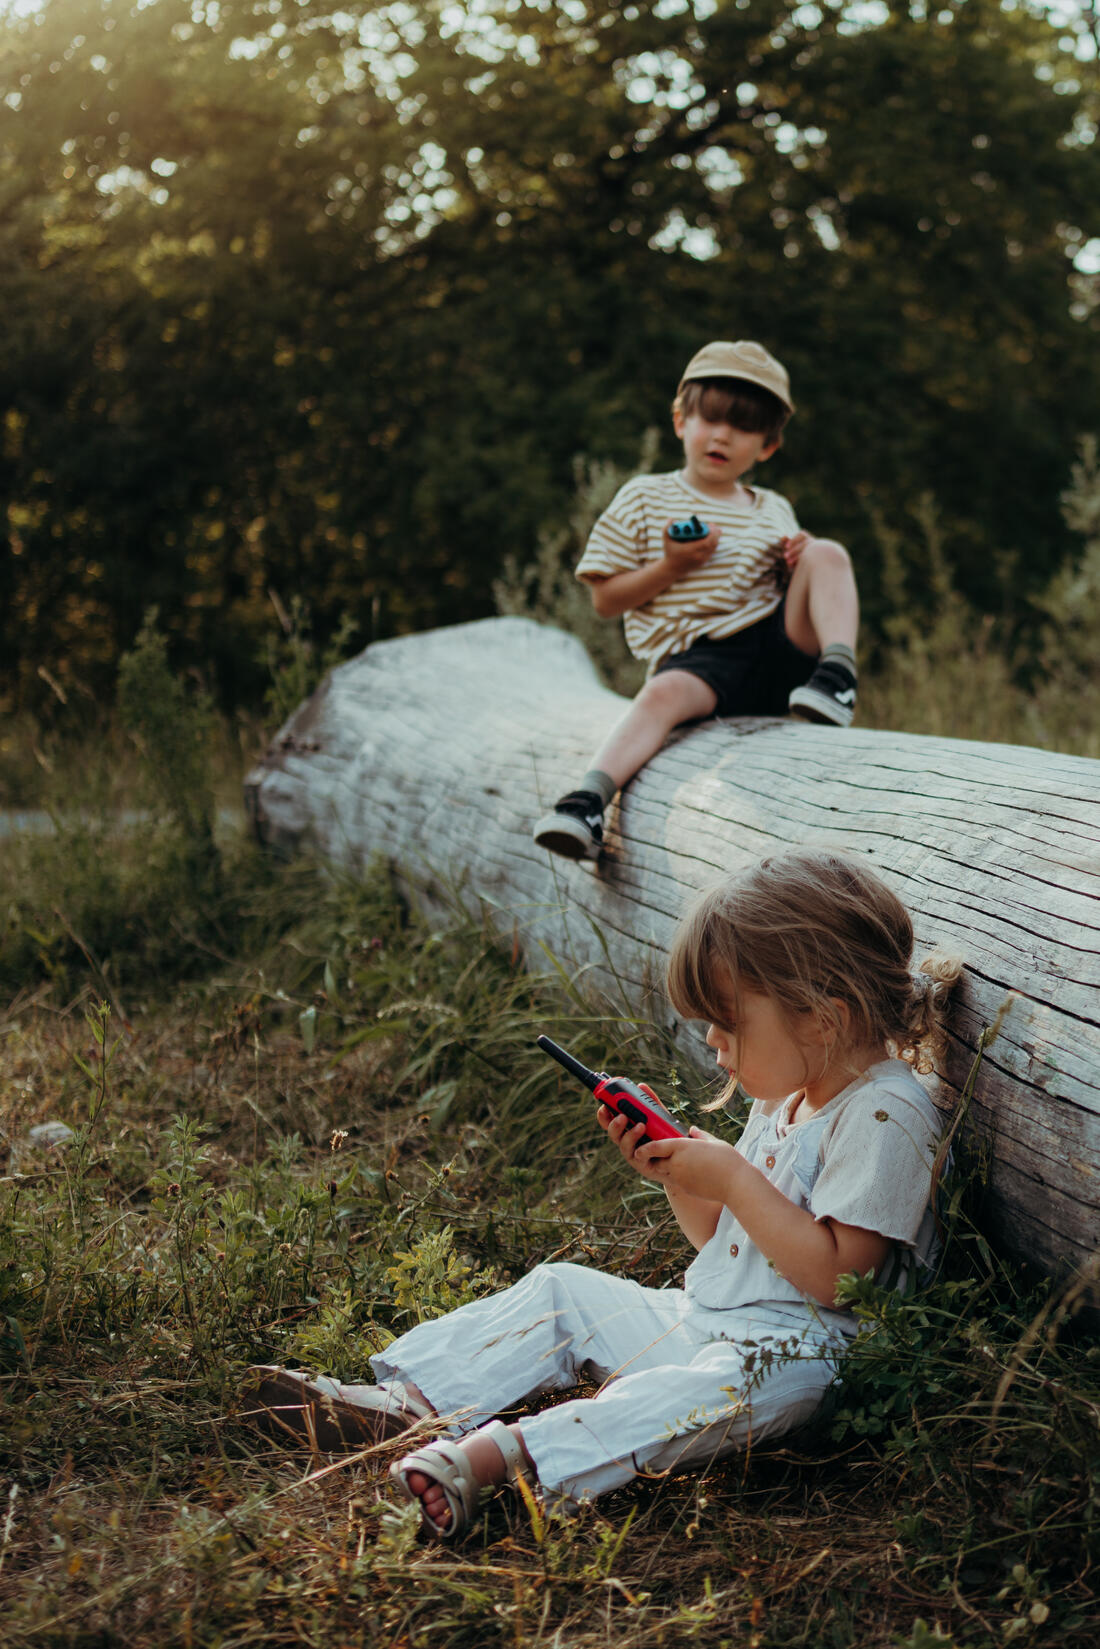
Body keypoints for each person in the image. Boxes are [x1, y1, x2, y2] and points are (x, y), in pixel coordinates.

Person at [244, 851, 961, 1539]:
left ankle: (508, 1459)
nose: (713, 1041)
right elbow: (722, 1244)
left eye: (729, 1020)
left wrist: (736, 1179)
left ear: (821, 1017)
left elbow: (844, 1281)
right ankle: (410, 1406)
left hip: (805, 1360)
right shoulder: (789, 1094)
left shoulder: (883, 1114)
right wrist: (681, 1174)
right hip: (712, 1320)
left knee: (717, 1389)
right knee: (563, 1290)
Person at [532, 339, 860, 862]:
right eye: (709, 418)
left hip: (779, 647)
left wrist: (798, 560)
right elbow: (604, 601)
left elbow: (794, 585)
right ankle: (588, 802)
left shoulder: (774, 508)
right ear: (681, 421)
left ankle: (838, 678)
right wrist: (671, 567)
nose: (723, 435)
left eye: (745, 426)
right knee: (659, 697)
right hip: (701, 660)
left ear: (768, 447)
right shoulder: (645, 496)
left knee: (827, 553)